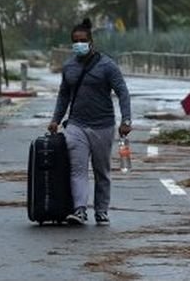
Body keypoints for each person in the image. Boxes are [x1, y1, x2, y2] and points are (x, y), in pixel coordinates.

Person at [48, 18, 132, 226]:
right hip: (76, 125)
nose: (79, 44)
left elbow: (122, 92)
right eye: (75, 41)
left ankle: (101, 211)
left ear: (91, 42)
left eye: (82, 40)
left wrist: (126, 119)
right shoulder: (69, 67)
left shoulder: (107, 65)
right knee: (78, 168)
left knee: (101, 171)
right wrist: (55, 120)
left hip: (103, 126)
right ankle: (80, 210)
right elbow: (63, 95)